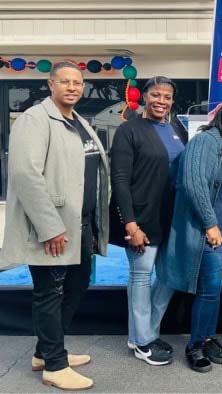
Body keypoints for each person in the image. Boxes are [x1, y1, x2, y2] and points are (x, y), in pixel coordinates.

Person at [0, 62, 109, 390]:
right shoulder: (35, 120)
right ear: (51, 84)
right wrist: (50, 227)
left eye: (77, 82)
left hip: (81, 225)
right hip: (53, 229)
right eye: (65, 81)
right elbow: (25, 175)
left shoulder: (78, 122)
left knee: (76, 287)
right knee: (50, 293)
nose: (72, 87)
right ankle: (54, 366)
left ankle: (45, 351)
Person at [157, 101, 222, 373]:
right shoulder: (205, 141)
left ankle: (208, 336)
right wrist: (210, 225)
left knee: (214, 291)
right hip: (207, 233)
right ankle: (195, 345)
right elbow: (193, 183)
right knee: (209, 290)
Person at [110, 76, 186, 366]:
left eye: (167, 97)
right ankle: (143, 342)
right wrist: (130, 224)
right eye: (155, 95)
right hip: (142, 218)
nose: (161, 101)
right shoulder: (129, 130)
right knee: (141, 277)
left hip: (172, 217)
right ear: (144, 96)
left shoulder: (175, 129)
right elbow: (120, 179)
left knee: (168, 278)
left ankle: (144, 332)